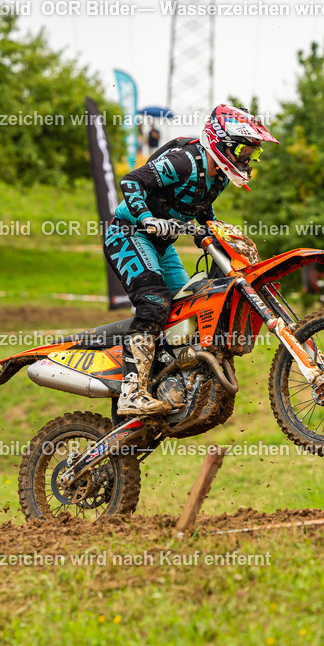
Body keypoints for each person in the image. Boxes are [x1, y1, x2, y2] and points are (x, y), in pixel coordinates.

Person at [103, 104, 278, 416]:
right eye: (243, 149)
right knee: (154, 303)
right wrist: (146, 218)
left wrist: (212, 234)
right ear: (221, 142)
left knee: (191, 310)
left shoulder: (220, 177)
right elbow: (131, 181)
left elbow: (201, 209)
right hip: (129, 233)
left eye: (254, 153)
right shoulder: (183, 161)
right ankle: (131, 392)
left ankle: (166, 380)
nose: (248, 158)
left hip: (163, 243)